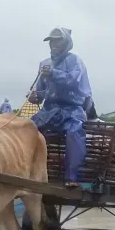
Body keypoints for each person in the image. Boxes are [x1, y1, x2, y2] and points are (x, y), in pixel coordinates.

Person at [29, 27, 94, 187]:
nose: (54, 44)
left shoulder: (75, 62)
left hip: (72, 109)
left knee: (74, 132)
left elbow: (73, 81)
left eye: (58, 40)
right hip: (49, 110)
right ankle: (28, 170)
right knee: (28, 129)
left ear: (66, 43)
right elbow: (41, 90)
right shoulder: (44, 64)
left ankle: (71, 177)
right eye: (52, 41)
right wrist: (35, 96)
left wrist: (53, 74)